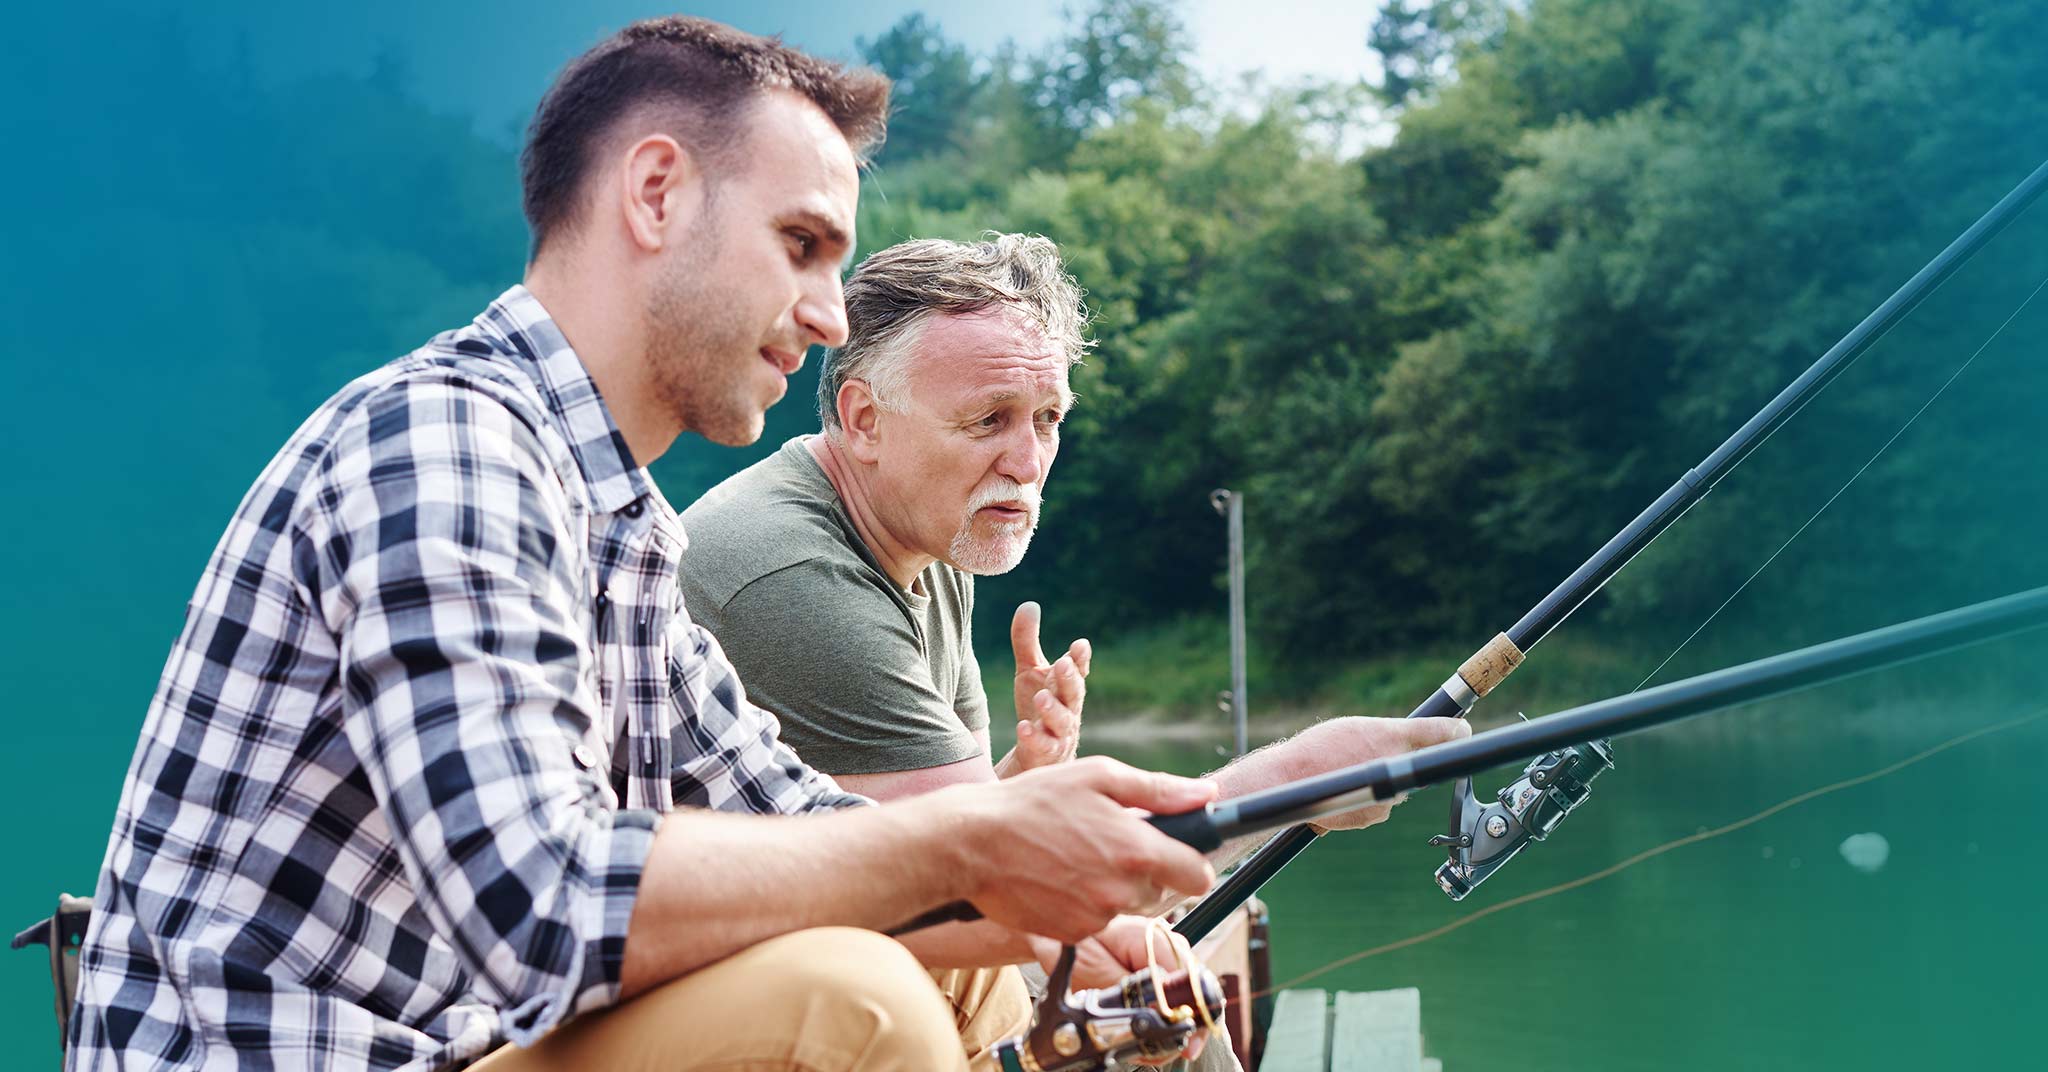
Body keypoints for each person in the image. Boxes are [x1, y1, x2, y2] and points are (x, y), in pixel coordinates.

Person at [65, 19, 1228, 1072]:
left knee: (962, 946)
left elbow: (798, 817)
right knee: (850, 997)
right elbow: (542, 910)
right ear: (658, 194)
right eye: (800, 243)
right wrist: (976, 841)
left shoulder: (620, 524)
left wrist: (1092, 890)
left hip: (467, 1045)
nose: (829, 315)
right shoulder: (446, 446)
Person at [680, 234, 1468, 845]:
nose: (1025, 464)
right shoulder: (795, 577)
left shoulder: (930, 528)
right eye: (988, 419)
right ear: (864, 421)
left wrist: (1024, 773)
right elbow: (995, 881)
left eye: (1047, 419)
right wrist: (1294, 782)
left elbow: (948, 831)